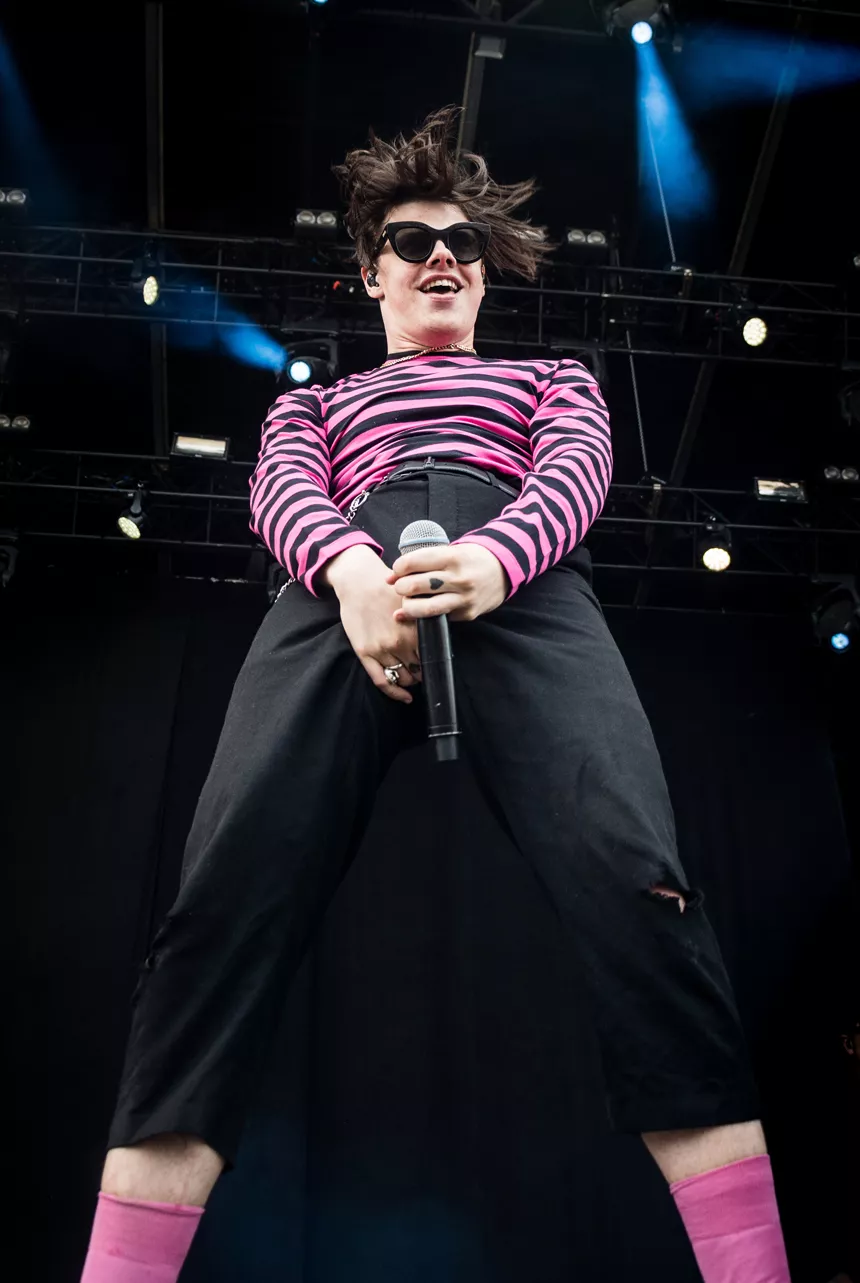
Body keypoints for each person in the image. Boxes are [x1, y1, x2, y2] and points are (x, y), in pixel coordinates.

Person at [80, 106, 792, 1282]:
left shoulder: (553, 377)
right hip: (339, 588)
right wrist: (350, 571)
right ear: (371, 274)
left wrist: (495, 560)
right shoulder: (311, 403)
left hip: (521, 581)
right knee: (216, 910)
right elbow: (281, 485)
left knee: (641, 885)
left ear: (484, 270)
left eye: (461, 240)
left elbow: (577, 470)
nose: (440, 256)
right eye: (410, 242)